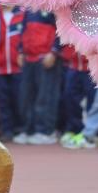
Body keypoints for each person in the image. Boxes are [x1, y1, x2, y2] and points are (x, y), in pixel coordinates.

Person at [16, 10, 61, 145]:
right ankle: (28, 129)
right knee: (26, 96)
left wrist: (54, 52)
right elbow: (23, 30)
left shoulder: (53, 6)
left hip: (45, 57)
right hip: (29, 58)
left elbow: (61, 30)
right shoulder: (29, 9)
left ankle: (46, 131)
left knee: (45, 96)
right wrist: (20, 51)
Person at [0, 4, 23, 143]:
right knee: (2, 101)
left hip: (19, 67)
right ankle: (6, 130)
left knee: (19, 98)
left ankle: (20, 128)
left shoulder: (22, 13)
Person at [59, 45, 96, 149]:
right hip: (73, 66)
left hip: (92, 67)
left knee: (93, 100)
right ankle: (74, 129)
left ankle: (95, 132)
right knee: (69, 97)